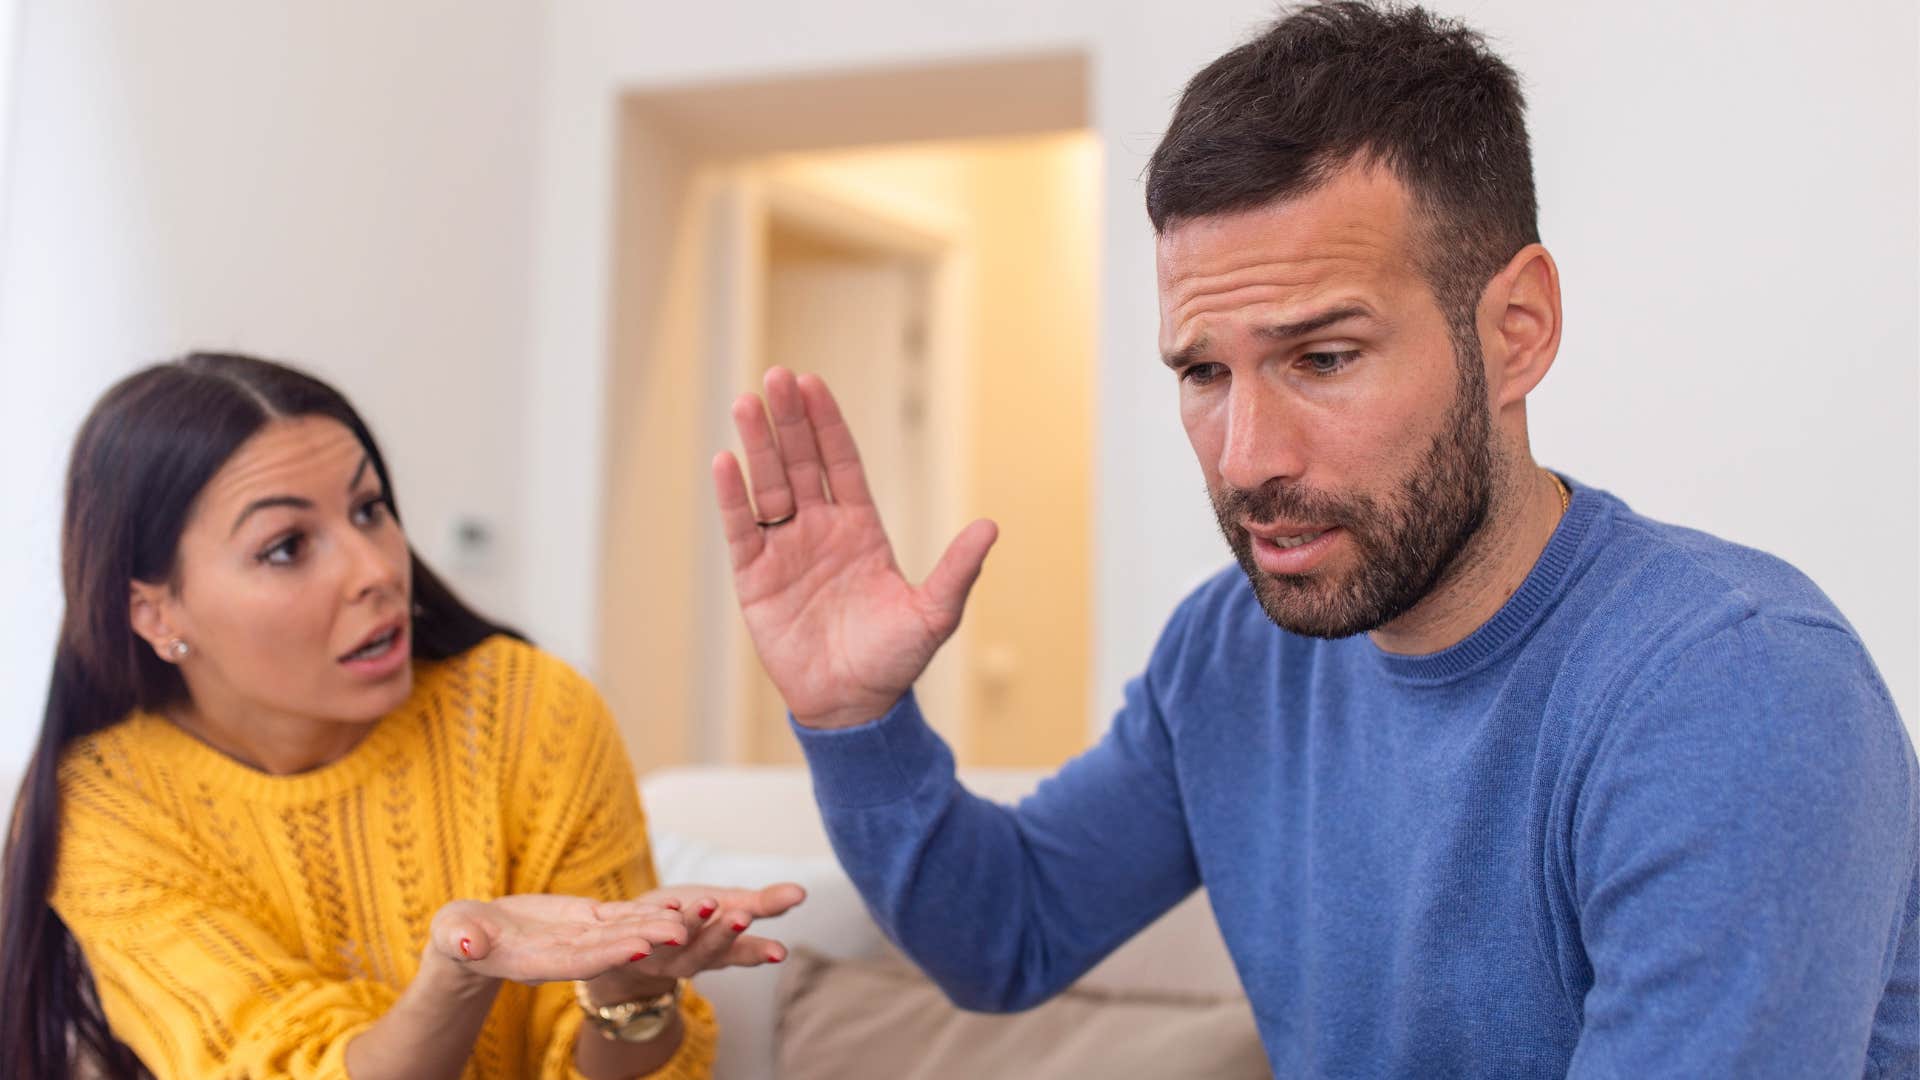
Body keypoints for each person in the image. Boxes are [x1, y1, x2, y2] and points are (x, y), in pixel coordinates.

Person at [709, 3, 1919, 1076]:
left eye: (1323, 358)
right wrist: (853, 720)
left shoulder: (1733, 685)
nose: (1245, 459)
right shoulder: (1234, 650)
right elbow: (1008, 938)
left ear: (1517, 330)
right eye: (1202, 371)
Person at [1, 352, 803, 1080]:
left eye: (368, 509)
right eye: (286, 546)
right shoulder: (109, 805)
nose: (377, 568)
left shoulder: (529, 712)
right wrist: (460, 975)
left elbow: (615, 1062)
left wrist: (626, 990)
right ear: (155, 612)